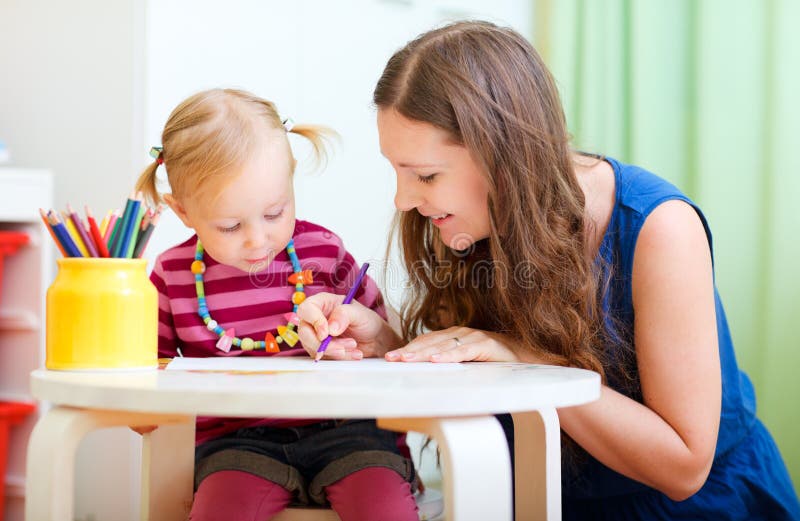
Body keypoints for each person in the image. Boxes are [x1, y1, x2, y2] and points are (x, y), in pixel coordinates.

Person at [296, 21, 800, 519]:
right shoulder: (473, 224)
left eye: (426, 175)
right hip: (544, 500)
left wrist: (525, 360)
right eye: (398, 170)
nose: (404, 199)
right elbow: (481, 358)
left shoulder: (660, 227)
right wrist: (388, 345)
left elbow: (683, 467)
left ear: (505, 156)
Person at [136, 88, 418, 521]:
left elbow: (390, 345)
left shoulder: (323, 252)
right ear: (182, 211)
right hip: (236, 445)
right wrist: (143, 403)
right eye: (229, 225)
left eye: (274, 213)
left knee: (385, 510)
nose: (257, 240)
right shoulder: (173, 276)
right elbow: (144, 371)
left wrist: (353, 337)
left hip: (348, 432)